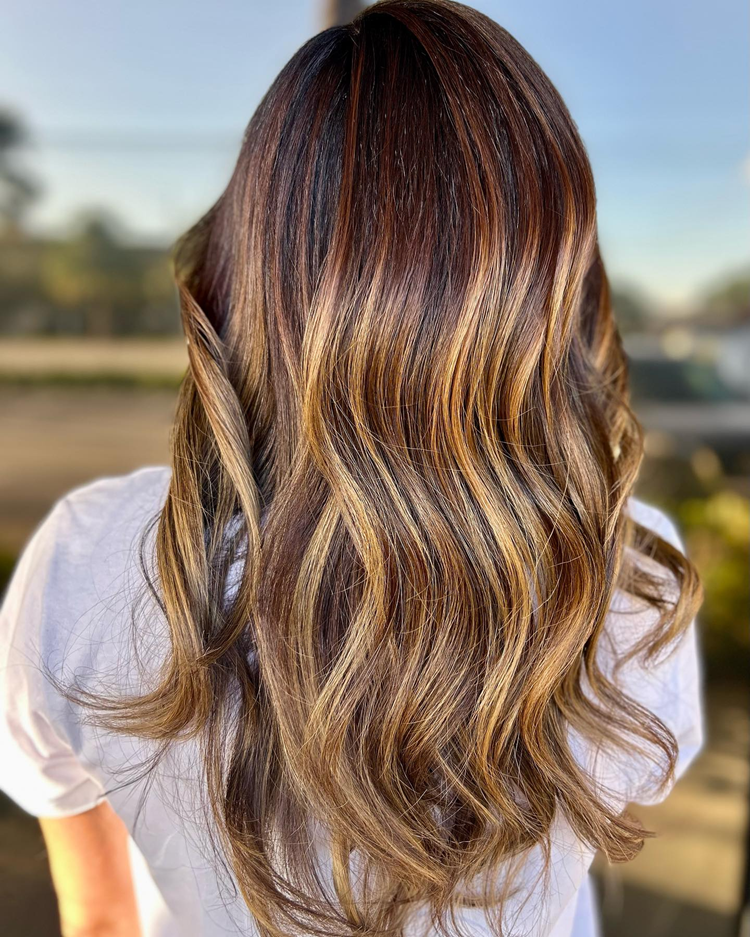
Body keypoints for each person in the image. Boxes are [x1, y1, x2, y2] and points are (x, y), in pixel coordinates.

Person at [0, 2, 704, 935]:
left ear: (254, 271)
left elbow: (97, 920)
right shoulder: (637, 583)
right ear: (551, 294)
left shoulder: (88, 570)